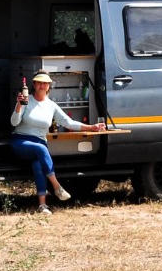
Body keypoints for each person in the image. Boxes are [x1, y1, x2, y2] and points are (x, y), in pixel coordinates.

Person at [10, 71, 105, 214]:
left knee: (38, 164)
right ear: (34, 85)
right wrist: (18, 105)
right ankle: (56, 186)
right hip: (21, 141)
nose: (42, 85)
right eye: (39, 83)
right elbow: (14, 122)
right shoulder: (26, 100)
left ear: (49, 86)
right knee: (41, 150)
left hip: (39, 143)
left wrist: (92, 127)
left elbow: (68, 122)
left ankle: (42, 205)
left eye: (45, 83)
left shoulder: (51, 105)